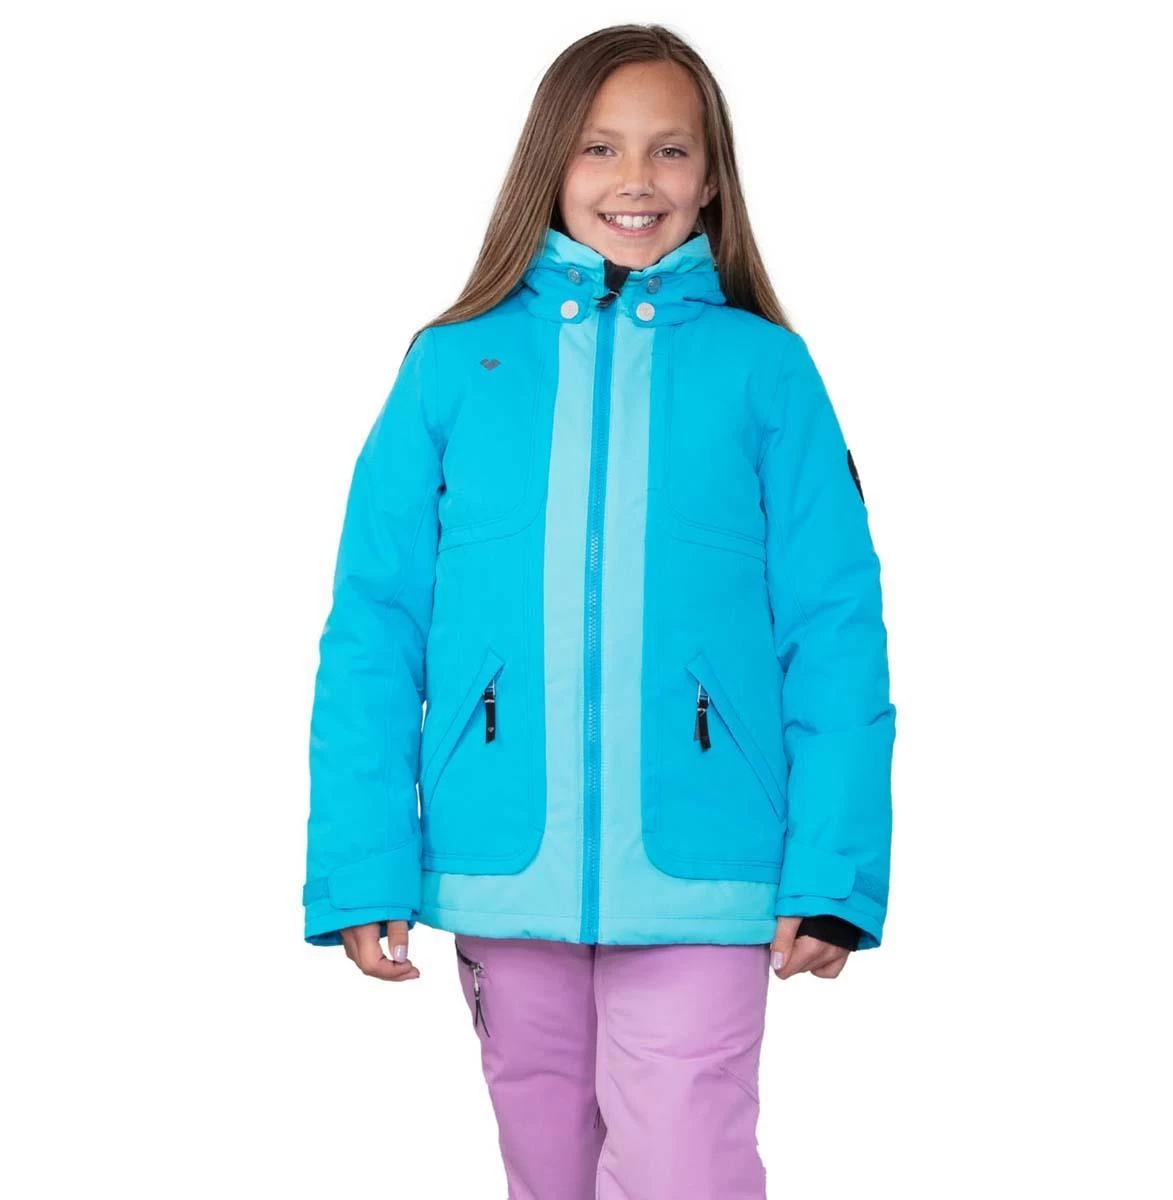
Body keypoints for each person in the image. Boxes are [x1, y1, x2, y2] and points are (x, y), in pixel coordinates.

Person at [300, 22, 895, 1200]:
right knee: (548, 1166)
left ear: (711, 178)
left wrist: (835, 869)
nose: (637, 179)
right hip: (500, 861)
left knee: (683, 1164)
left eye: (670, 151)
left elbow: (833, 630)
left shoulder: (766, 371)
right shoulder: (451, 366)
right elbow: (375, 629)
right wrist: (361, 863)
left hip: (708, 868)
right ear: (549, 166)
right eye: (599, 148)